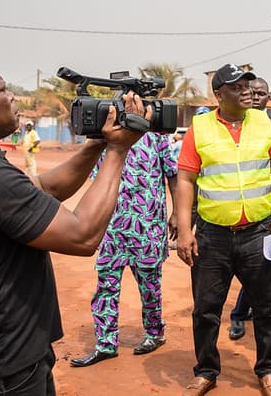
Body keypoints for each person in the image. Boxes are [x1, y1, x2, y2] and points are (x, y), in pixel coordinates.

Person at [0, 55, 148, 394]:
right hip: (2, 370)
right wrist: (117, 152)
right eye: (3, 89)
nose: (12, 97)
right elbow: (82, 235)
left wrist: (98, 143)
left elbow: (48, 188)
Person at [175, 63, 271, 396]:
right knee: (206, 308)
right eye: (237, 86)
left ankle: (268, 369)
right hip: (213, 236)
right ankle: (206, 370)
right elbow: (185, 179)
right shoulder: (200, 128)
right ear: (218, 94)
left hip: (258, 234)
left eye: (247, 85)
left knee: (266, 307)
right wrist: (185, 230)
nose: (246, 90)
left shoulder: (266, 124)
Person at [70, 131, 179, 367]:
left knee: (150, 285)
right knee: (106, 283)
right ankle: (105, 344)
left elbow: (173, 175)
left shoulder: (156, 135)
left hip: (147, 222)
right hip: (112, 224)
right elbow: (96, 180)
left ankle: (155, 333)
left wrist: (178, 213)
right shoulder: (106, 134)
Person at [230, 75, 271, 340]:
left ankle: (259, 323)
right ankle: (238, 316)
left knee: (263, 273)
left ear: (268, 97)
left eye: (262, 93)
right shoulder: (233, 125)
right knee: (250, 273)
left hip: (269, 212)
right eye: (253, 91)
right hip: (238, 215)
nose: (257, 96)